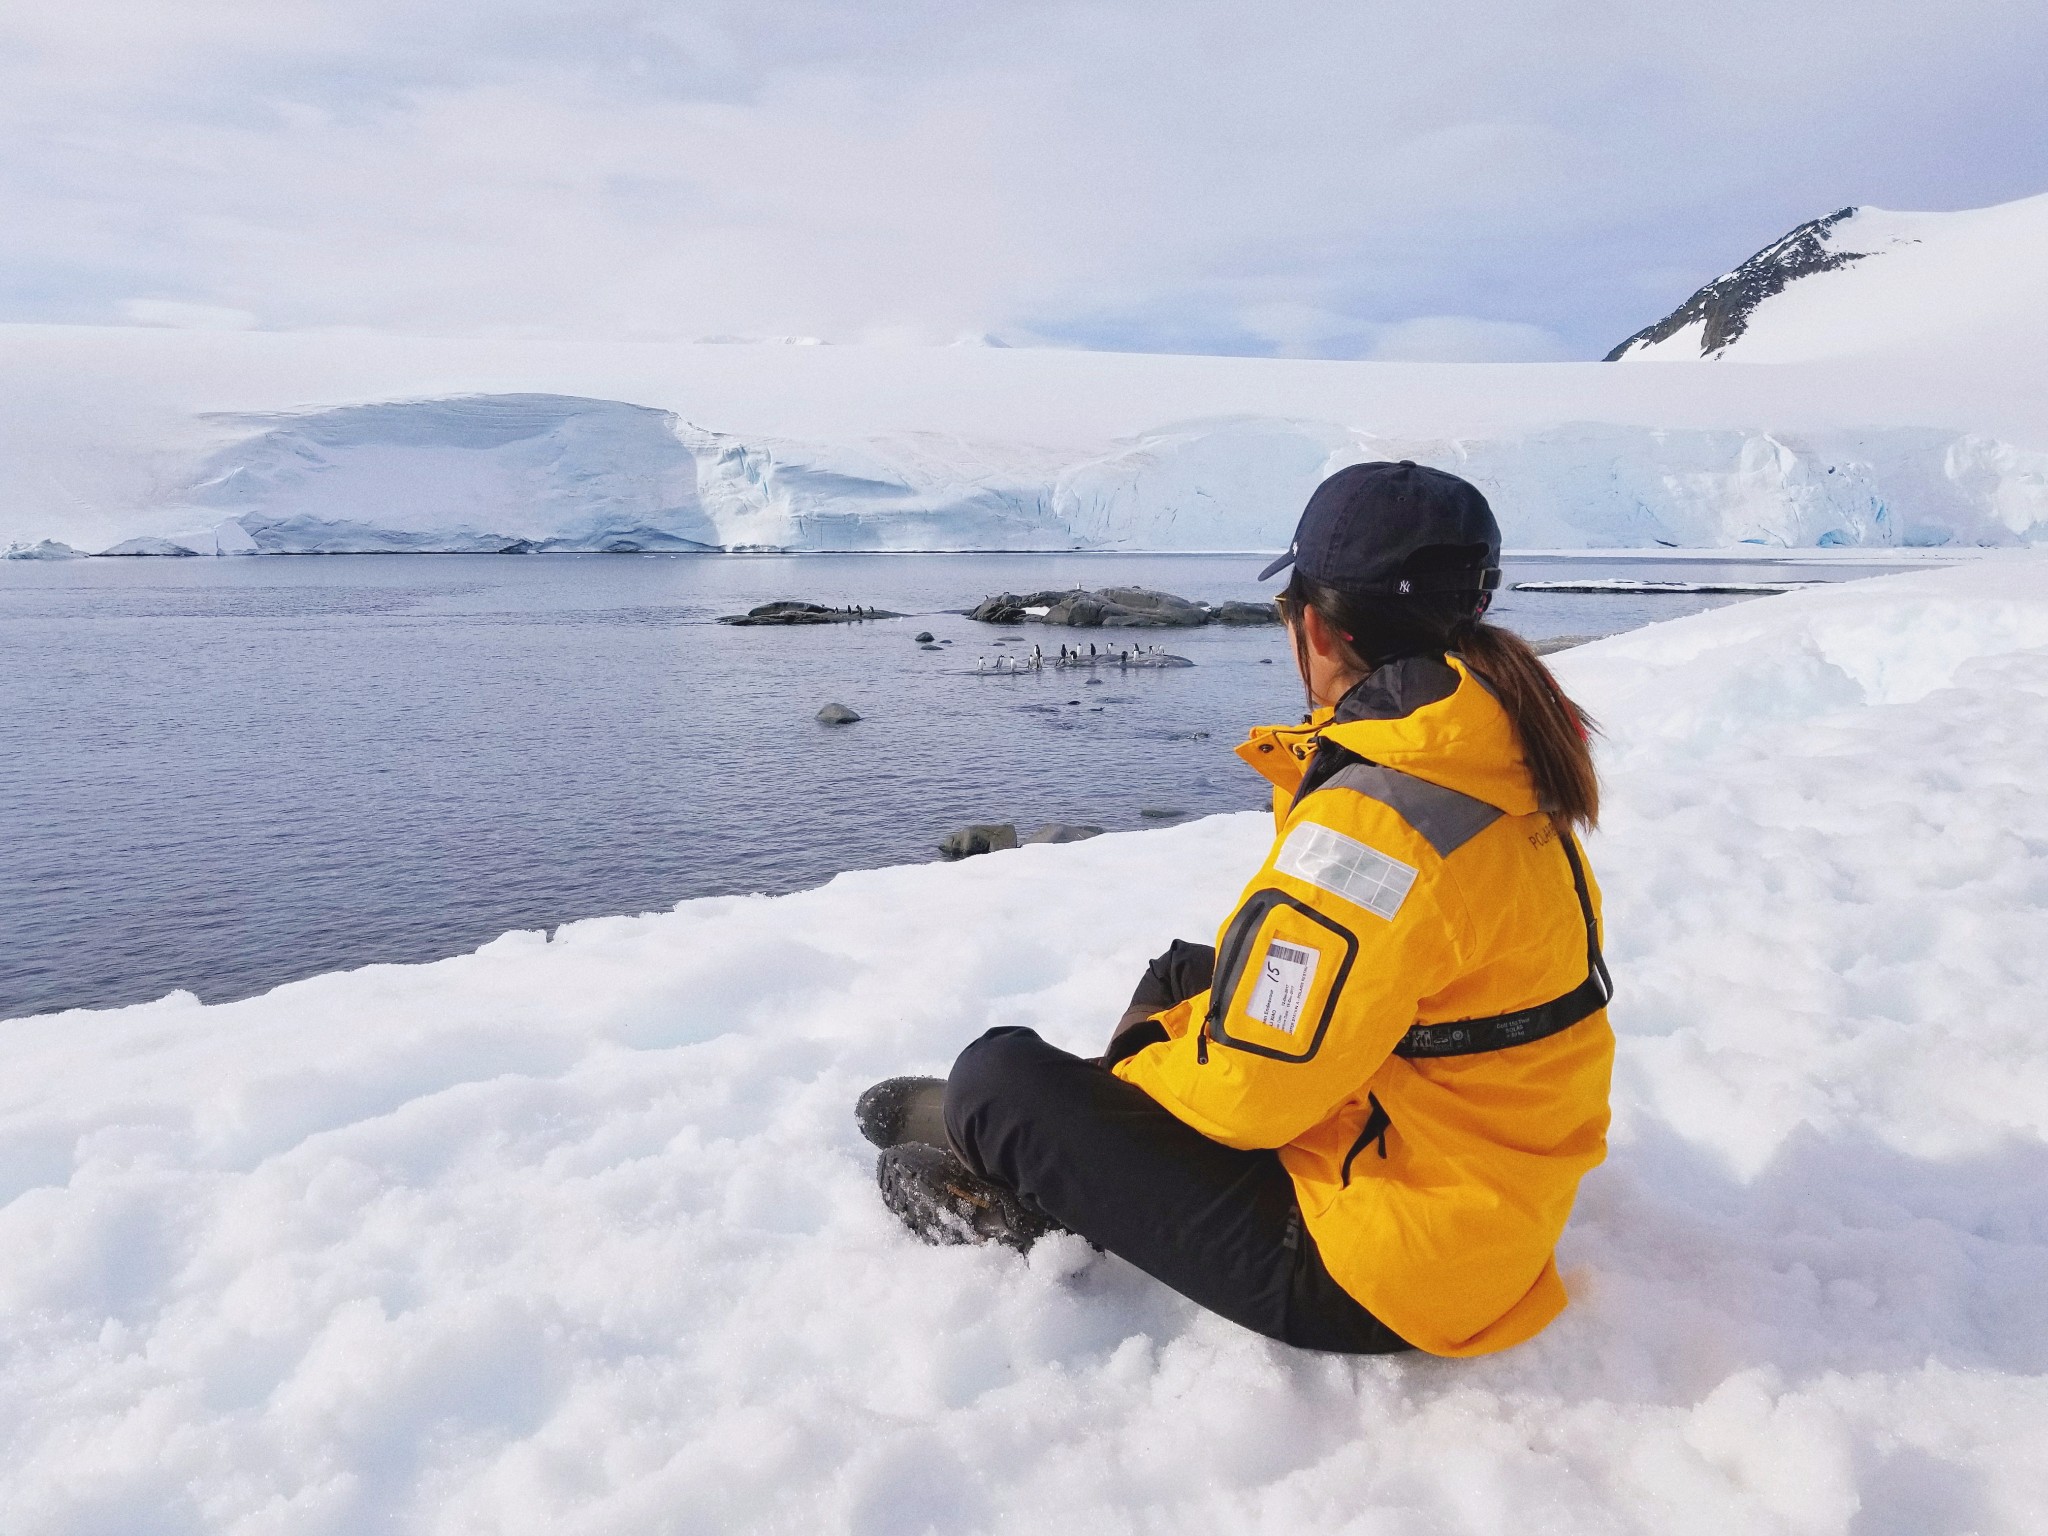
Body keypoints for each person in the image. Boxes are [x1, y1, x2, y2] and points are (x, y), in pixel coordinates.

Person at [856, 462, 1614, 1357]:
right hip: (1479, 1187)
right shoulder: (1493, 754)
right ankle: (1063, 1151)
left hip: (1383, 1265)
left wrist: (1127, 1079)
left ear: (1318, 629)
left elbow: (1254, 1097)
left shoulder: (1376, 825)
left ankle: (1031, 1165)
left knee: (1000, 1076)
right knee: (1189, 970)